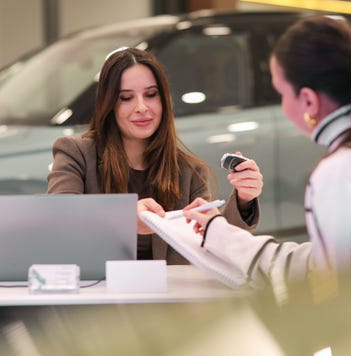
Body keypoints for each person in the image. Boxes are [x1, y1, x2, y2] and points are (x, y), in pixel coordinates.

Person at [144, 15, 351, 298]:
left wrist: (219, 233)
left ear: (307, 101)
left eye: (280, 93)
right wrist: (219, 232)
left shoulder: (339, 170)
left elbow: (328, 279)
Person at [48, 47, 263, 264]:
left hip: (168, 295)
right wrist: (124, 218)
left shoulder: (189, 172)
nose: (141, 107)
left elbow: (214, 248)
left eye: (151, 95)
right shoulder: (76, 154)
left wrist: (244, 199)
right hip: (97, 293)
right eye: (126, 98)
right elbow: (60, 216)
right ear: (109, 104)